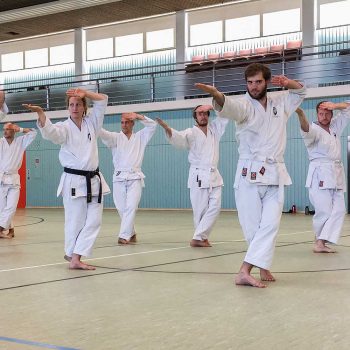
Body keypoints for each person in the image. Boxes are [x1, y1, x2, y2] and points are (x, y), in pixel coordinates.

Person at [196, 63, 306, 287]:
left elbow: (301, 91)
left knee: (271, 224)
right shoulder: (244, 105)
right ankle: (256, 266)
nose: (254, 86)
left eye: (258, 82)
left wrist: (289, 84)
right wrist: (217, 94)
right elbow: (229, 106)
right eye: (249, 82)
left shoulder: (280, 102)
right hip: (250, 175)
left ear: (267, 81)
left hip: (275, 173)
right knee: (253, 227)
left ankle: (249, 268)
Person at [23, 88, 109, 270]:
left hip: (94, 180)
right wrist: (41, 113)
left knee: (95, 220)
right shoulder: (64, 127)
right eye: (71, 105)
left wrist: (86, 92)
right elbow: (50, 132)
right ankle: (74, 256)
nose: (75, 108)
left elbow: (102, 100)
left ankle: (74, 255)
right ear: (67, 108)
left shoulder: (92, 123)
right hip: (74, 181)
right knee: (75, 221)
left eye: (78, 104)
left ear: (84, 106)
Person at [156, 105, 228, 247]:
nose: (203, 116)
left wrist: (214, 107)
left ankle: (199, 237)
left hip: (214, 174)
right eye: (199, 114)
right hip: (198, 174)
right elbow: (178, 138)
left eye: (205, 113)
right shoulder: (191, 132)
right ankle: (200, 238)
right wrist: (167, 128)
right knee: (200, 210)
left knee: (215, 207)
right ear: (195, 116)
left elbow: (224, 116)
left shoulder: (215, 129)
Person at [296, 101, 350, 253]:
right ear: (316, 114)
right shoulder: (313, 128)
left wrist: (336, 105)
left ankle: (321, 241)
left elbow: (348, 108)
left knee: (340, 209)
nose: (324, 116)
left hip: (337, 172)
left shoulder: (335, 126)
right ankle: (319, 242)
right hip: (319, 173)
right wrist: (301, 114)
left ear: (331, 114)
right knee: (324, 210)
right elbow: (305, 129)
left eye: (327, 113)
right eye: (321, 113)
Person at [99, 112, 157, 244]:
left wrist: (138, 116)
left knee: (131, 206)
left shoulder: (141, 137)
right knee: (121, 208)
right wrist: (93, 120)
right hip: (119, 177)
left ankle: (124, 236)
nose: (124, 125)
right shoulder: (115, 137)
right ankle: (132, 233)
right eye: (122, 122)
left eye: (127, 122)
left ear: (132, 123)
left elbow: (153, 126)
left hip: (135, 177)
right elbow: (102, 133)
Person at [0, 123, 37, 238]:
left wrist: (20, 129)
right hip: (1, 179)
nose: (5, 131)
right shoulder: (1, 142)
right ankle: (10, 231)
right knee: (2, 209)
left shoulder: (21, 141)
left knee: (11, 207)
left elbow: (34, 133)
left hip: (14, 179)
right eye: (4, 129)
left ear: (14, 131)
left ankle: (0, 229)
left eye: (8, 129)